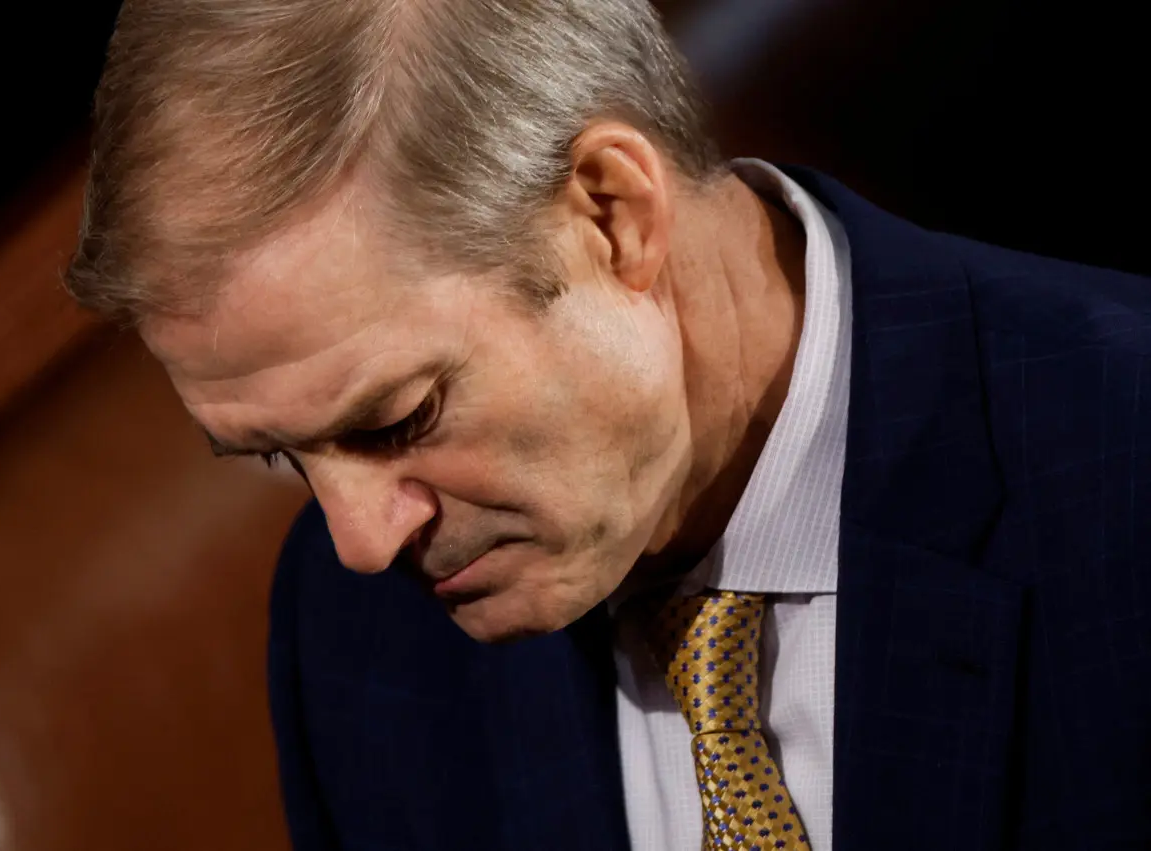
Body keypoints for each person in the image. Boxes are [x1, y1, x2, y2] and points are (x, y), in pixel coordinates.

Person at [63, 1, 1151, 849]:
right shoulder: (353, 643)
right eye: (278, 455)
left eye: (398, 420)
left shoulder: (1119, 456)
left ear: (610, 213)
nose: (357, 540)